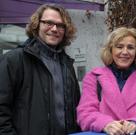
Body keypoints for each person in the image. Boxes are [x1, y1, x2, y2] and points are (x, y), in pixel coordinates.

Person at [0, 4, 80, 135]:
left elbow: (76, 107)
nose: (54, 29)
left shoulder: (67, 64)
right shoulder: (14, 60)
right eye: (48, 23)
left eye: (60, 25)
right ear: (36, 25)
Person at [77, 27, 136, 135]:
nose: (125, 52)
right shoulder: (94, 77)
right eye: (119, 47)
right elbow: (85, 113)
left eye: (130, 47)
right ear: (111, 50)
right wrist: (106, 124)